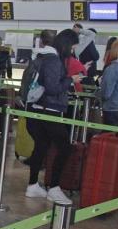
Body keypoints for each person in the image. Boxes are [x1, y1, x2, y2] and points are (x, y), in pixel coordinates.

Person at [25, 29, 79, 205]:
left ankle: (33, 184)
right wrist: (71, 80)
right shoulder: (54, 61)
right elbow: (52, 88)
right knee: (65, 147)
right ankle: (54, 188)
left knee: (41, 146)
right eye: (72, 47)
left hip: (36, 108)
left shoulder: (40, 58)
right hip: (50, 110)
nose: (72, 51)